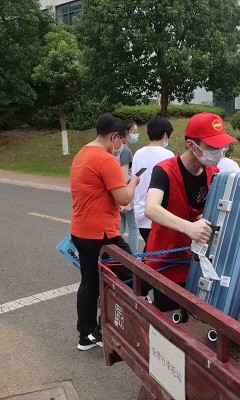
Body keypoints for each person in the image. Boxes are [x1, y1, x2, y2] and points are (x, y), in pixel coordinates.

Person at [144, 112, 237, 309]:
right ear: (191, 145)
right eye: (212, 147)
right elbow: (151, 208)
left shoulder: (214, 173)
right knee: (168, 320)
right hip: (167, 261)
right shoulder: (164, 170)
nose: (218, 152)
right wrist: (188, 227)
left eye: (221, 147)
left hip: (198, 263)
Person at [70, 113, 139, 350]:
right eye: (122, 142)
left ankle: (86, 335)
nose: (120, 147)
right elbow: (124, 198)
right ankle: (108, 329)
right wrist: (134, 182)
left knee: (89, 282)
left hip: (81, 231)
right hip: (102, 235)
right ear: (114, 136)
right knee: (134, 276)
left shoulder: (82, 153)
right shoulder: (105, 159)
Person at [131, 116, 175, 251]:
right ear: (165, 135)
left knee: (150, 247)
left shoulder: (138, 154)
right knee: (155, 250)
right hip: (158, 212)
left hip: (140, 210)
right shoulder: (168, 155)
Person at [116, 119, 139, 253]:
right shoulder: (125, 151)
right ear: (127, 133)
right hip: (126, 193)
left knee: (119, 228)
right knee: (133, 227)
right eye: (133, 132)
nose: (136, 135)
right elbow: (124, 177)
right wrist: (126, 202)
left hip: (118, 193)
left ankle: (114, 254)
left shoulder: (117, 150)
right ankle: (132, 257)